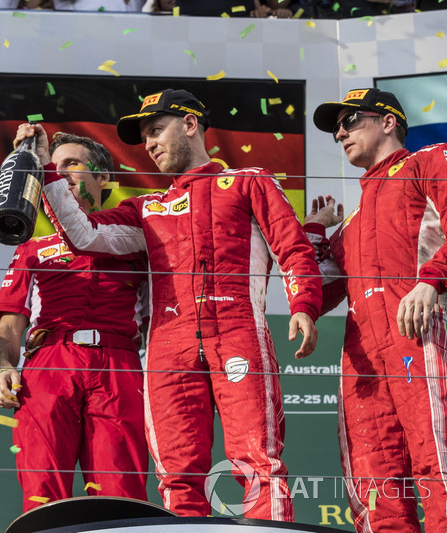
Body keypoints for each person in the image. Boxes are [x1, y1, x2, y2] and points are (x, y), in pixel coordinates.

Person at [24, 88, 323, 521]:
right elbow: (84, 234)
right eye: (144, 136)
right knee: (178, 475)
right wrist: (45, 170)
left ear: (189, 124)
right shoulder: (146, 209)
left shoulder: (248, 181)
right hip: (169, 345)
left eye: (156, 130)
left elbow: (294, 249)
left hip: (238, 330)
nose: (149, 144)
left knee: (257, 462)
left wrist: (303, 305)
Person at [307, 88, 447, 532]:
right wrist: (315, 230)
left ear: (388, 121)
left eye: (350, 121)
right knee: (374, 484)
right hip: (364, 360)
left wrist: (431, 280)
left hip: (423, 335)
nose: (340, 133)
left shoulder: (428, 162)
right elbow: (321, 291)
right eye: (335, 131)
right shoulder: (352, 219)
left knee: (439, 463)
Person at [0, 133, 150, 512]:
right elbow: (9, 325)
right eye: (54, 167)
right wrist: (4, 368)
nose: (60, 175)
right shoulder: (32, 248)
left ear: (103, 177)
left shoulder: (137, 238)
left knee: (121, 498)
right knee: (43, 495)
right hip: (48, 365)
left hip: (119, 366)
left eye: (72, 165)